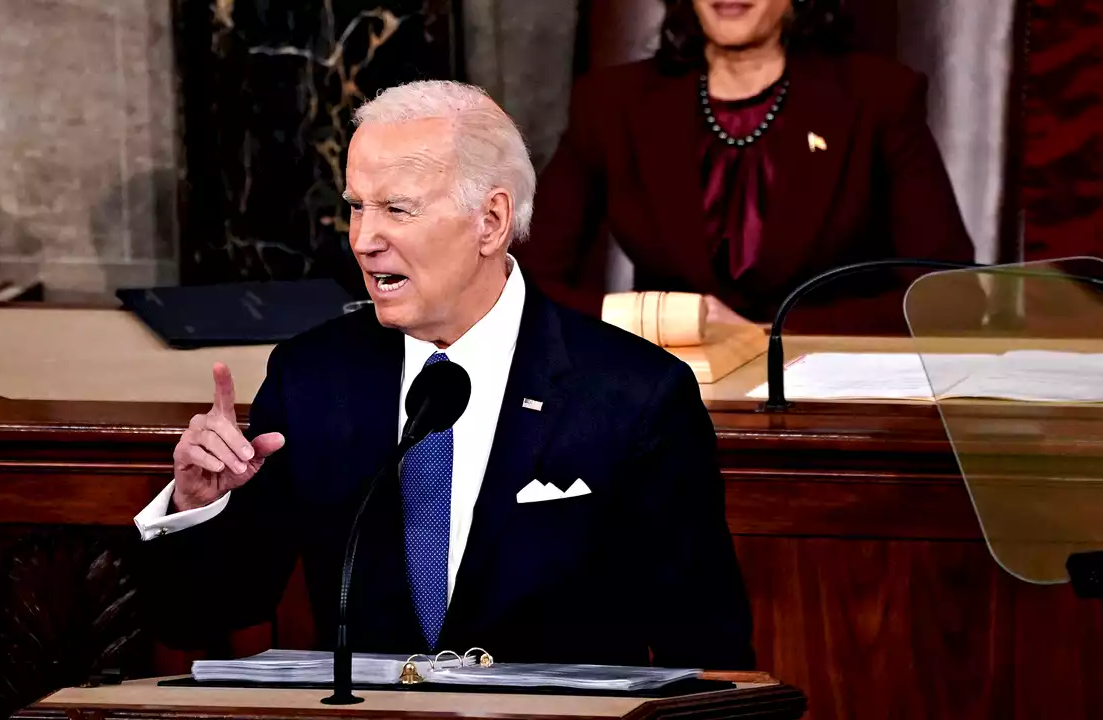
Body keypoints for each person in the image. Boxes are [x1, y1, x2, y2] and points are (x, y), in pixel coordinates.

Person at [134, 80, 754, 669]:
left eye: (397, 209)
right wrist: (196, 506)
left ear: (490, 221)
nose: (364, 239)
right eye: (356, 207)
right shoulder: (312, 378)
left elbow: (705, 651)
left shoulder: (635, 394)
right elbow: (200, 617)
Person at [516, 0, 978, 334]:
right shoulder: (613, 103)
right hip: (669, 391)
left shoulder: (877, 98)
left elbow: (949, 296)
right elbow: (524, 281)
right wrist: (657, 320)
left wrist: (763, 334)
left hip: (828, 390)